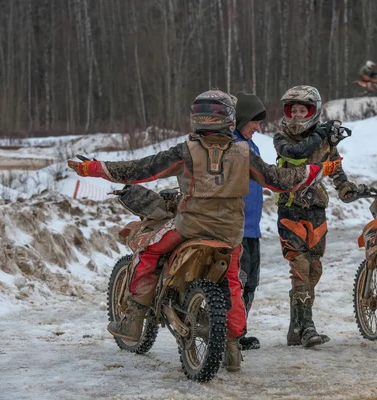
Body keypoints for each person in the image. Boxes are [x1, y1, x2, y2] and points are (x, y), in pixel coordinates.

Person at [67, 90, 342, 372]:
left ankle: (133, 322)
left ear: (198, 118)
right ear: (230, 118)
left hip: (189, 227)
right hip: (230, 234)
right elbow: (281, 180)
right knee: (233, 286)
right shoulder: (243, 152)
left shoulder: (187, 151)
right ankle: (233, 350)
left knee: (147, 252)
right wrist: (321, 168)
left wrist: (94, 168)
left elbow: (141, 169)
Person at [273, 85, 358, 348]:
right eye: (293, 110)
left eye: (303, 110)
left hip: (316, 209)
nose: (297, 115)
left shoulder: (325, 139)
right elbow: (295, 156)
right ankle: (308, 327)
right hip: (290, 207)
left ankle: (295, 328)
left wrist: (345, 188)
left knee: (313, 268)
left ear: (313, 111)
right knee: (299, 267)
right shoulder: (282, 137)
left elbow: (336, 166)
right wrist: (323, 133)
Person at [232, 91, 266, 351]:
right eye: (254, 120)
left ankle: (239, 331)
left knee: (250, 281)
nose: (258, 126)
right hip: (236, 229)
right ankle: (230, 333)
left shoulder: (251, 145)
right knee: (237, 281)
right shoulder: (232, 145)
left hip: (252, 229)